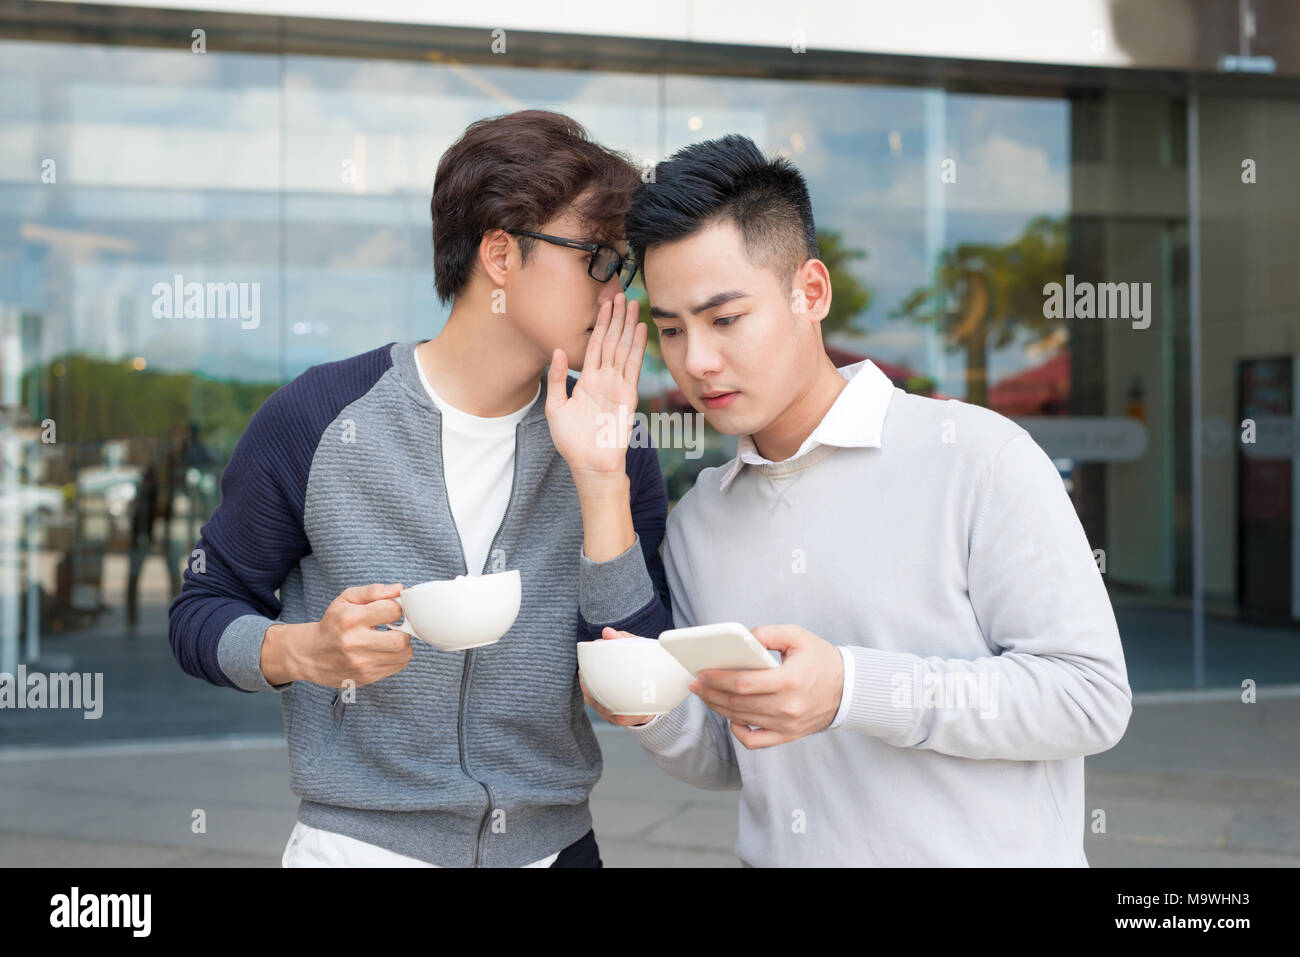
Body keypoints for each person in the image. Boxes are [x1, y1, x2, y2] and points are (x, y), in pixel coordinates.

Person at [582, 133, 1133, 866]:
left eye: (725, 319)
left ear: (810, 292)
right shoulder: (701, 518)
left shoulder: (977, 458)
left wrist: (852, 688)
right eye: (673, 330)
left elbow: (1090, 697)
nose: (697, 362)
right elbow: (720, 756)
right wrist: (651, 706)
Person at [168, 110, 672, 867]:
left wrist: (600, 480)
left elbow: (639, 679)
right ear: (500, 254)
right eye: (597, 257)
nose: (616, 292)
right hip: (359, 847)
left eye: (621, 264)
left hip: (555, 848)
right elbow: (199, 611)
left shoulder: (616, 436)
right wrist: (303, 650)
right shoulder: (318, 418)